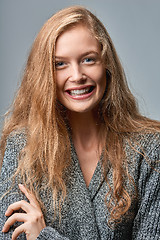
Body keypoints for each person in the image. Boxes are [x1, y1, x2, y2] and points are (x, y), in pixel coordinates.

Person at [0, 5, 160, 240]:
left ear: (106, 64)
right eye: (60, 64)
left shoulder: (150, 150)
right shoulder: (23, 147)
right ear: (45, 73)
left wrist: (44, 236)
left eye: (88, 59)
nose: (77, 75)